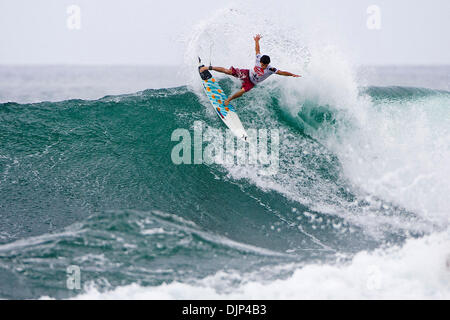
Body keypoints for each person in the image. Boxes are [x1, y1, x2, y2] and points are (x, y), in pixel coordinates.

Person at [199, 34, 301, 106]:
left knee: (242, 91)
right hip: (246, 73)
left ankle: (228, 100)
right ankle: (208, 68)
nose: (262, 66)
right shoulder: (258, 58)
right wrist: (256, 41)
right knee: (229, 71)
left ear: (267, 64)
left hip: (252, 83)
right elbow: (257, 50)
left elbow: (281, 72)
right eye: (261, 64)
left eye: (264, 65)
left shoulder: (271, 69)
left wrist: (292, 74)